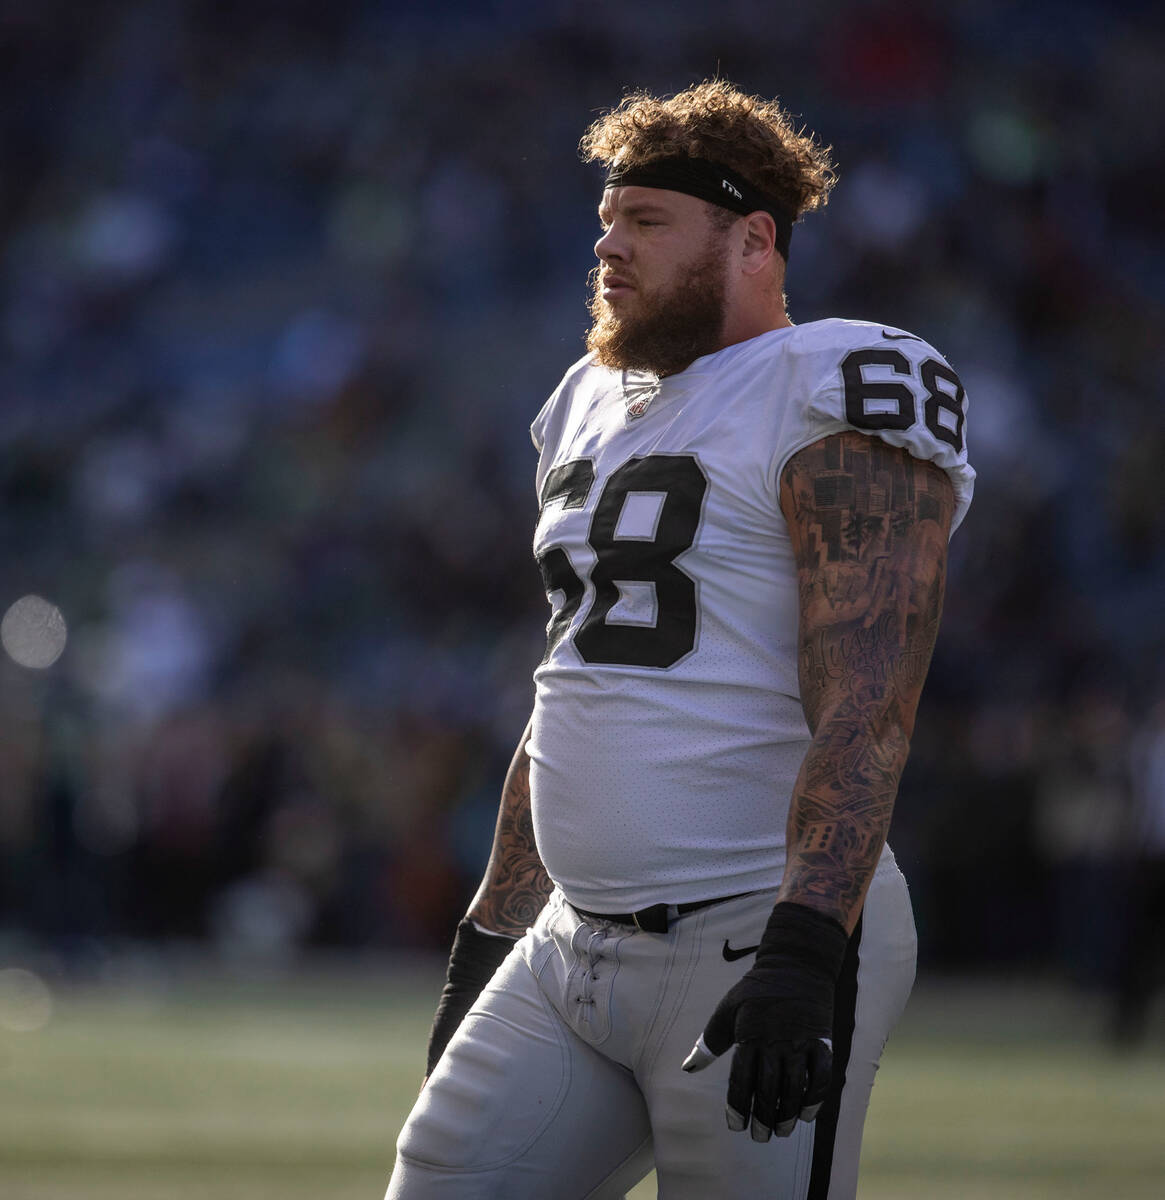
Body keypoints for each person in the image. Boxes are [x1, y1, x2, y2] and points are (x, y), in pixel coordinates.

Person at [386, 80, 974, 1200]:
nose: (607, 244)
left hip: (755, 930)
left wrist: (809, 943)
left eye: (646, 221)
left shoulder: (837, 380)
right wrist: (489, 934)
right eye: (606, 218)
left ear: (754, 238)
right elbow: (579, 685)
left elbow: (870, 695)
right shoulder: (587, 399)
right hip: (569, 946)